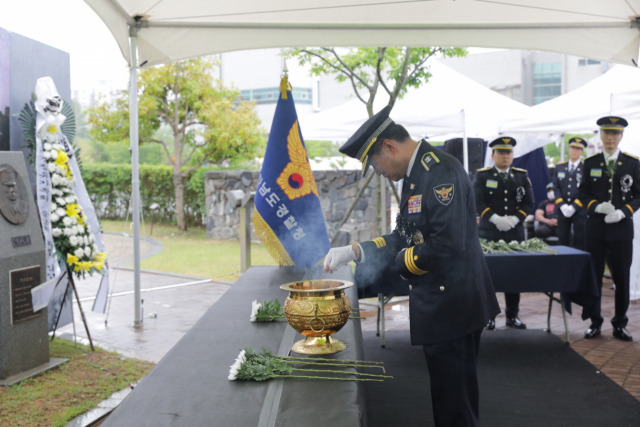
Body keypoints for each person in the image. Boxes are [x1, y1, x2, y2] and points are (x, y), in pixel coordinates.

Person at [323, 106, 499, 427]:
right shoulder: (416, 175)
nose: (377, 171)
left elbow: (448, 244)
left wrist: (399, 262)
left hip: (454, 307)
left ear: (389, 146)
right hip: (441, 306)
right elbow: (403, 236)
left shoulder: (440, 171)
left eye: (375, 164)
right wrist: (354, 251)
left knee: (456, 406)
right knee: (446, 401)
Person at [579, 116, 640, 341]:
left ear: (621, 136)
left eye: (615, 133)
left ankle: (619, 323)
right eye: (606, 133)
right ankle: (595, 321)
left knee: (621, 277)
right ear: (601, 136)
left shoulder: (633, 163)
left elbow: (638, 195)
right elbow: (583, 194)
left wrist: (624, 211)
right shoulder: (591, 162)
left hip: (621, 229)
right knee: (594, 276)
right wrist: (596, 206)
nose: (610, 138)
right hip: (595, 229)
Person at [473, 137, 534, 330]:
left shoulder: (521, 176)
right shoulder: (482, 176)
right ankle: (489, 315)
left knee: (513, 275)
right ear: (493, 155)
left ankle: (512, 315)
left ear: (513, 156)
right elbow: (477, 201)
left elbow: (528, 203)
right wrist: (494, 218)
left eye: (508, 152)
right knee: (488, 275)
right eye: (501, 152)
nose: (505, 156)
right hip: (490, 231)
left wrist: (516, 218)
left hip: (514, 233)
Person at [553, 137, 587, 249]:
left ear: (582, 151)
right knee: (562, 238)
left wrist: (574, 206)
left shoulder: (585, 168)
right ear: (569, 149)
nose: (575, 151)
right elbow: (556, 187)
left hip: (579, 209)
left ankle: (578, 264)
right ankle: (563, 264)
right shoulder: (559, 167)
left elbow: (586, 190)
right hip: (562, 209)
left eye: (578, 149)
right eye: (573, 148)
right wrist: (562, 205)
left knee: (579, 238)